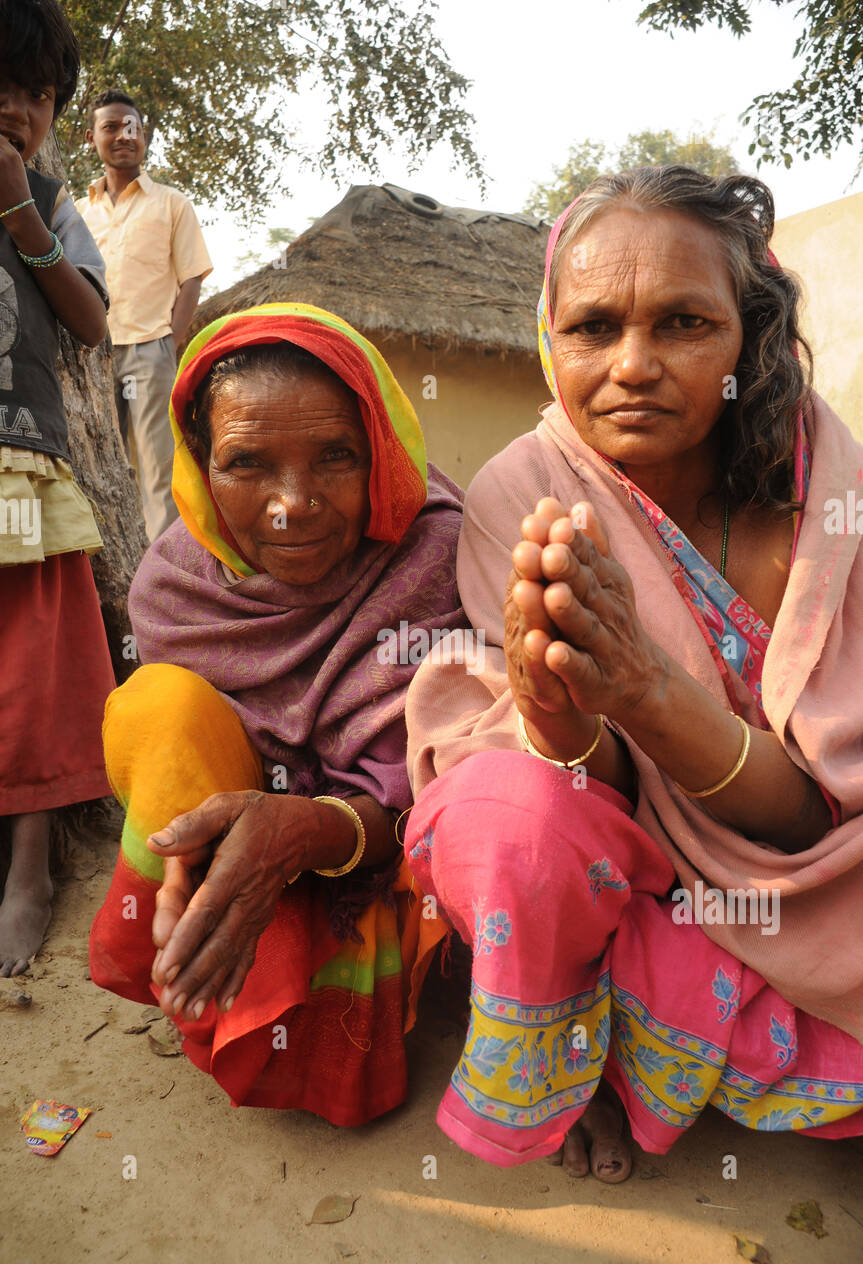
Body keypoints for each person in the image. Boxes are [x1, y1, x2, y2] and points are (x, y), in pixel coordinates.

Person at [404, 166, 863, 1181]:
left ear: (749, 334)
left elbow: (809, 823)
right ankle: (571, 1062)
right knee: (503, 804)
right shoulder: (524, 491)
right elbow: (587, 808)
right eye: (593, 327)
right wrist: (558, 710)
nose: (632, 364)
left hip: (826, 883)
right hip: (647, 894)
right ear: (547, 337)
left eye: (683, 324)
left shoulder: (826, 492)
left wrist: (651, 691)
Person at [89, 302, 464, 1125]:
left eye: (336, 456)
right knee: (156, 704)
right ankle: (201, 959)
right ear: (197, 466)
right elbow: (189, 769)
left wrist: (303, 827)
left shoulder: (435, 556)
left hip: (377, 858)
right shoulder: (175, 587)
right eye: (247, 463)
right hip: (233, 843)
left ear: (382, 452)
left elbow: (434, 792)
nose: (293, 504)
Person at [0, 0, 115, 977]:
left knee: (37, 651)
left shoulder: (50, 199)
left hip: (18, 457)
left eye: (36, 92)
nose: (18, 105)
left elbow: (88, 320)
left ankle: (29, 867)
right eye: (1, 83)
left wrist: (19, 211)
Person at [76, 90, 212, 542]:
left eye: (131, 127)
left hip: (150, 349)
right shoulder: (78, 211)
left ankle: (163, 576)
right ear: (91, 137)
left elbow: (192, 277)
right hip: (89, 354)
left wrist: (169, 344)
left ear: (145, 137)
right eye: (111, 127)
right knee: (101, 470)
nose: (123, 136)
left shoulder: (172, 204)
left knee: (159, 470)